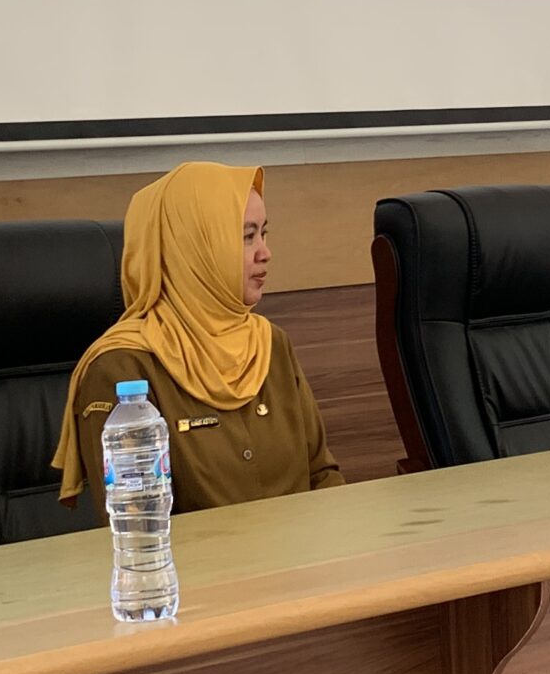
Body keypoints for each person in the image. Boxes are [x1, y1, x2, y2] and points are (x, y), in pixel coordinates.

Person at [54, 162, 342, 514]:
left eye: (264, 234)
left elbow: (322, 474)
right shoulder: (121, 369)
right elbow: (139, 521)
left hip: (302, 546)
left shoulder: (271, 344)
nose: (265, 252)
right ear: (195, 249)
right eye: (247, 236)